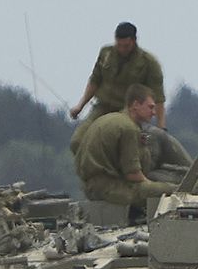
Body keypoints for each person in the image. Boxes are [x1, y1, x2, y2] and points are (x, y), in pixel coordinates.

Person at [72, 83, 176, 212]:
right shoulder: (129, 128)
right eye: (150, 107)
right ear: (136, 105)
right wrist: (156, 186)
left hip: (92, 186)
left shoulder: (111, 119)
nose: (154, 113)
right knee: (169, 190)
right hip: (107, 188)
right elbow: (133, 174)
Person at [71, 21, 166, 127]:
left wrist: (161, 127)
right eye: (119, 45)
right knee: (82, 135)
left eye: (126, 46)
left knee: (116, 131)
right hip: (102, 106)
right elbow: (95, 81)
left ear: (134, 41)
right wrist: (80, 106)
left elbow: (158, 97)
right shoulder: (106, 54)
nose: (122, 49)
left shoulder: (148, 63)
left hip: (127, 112)